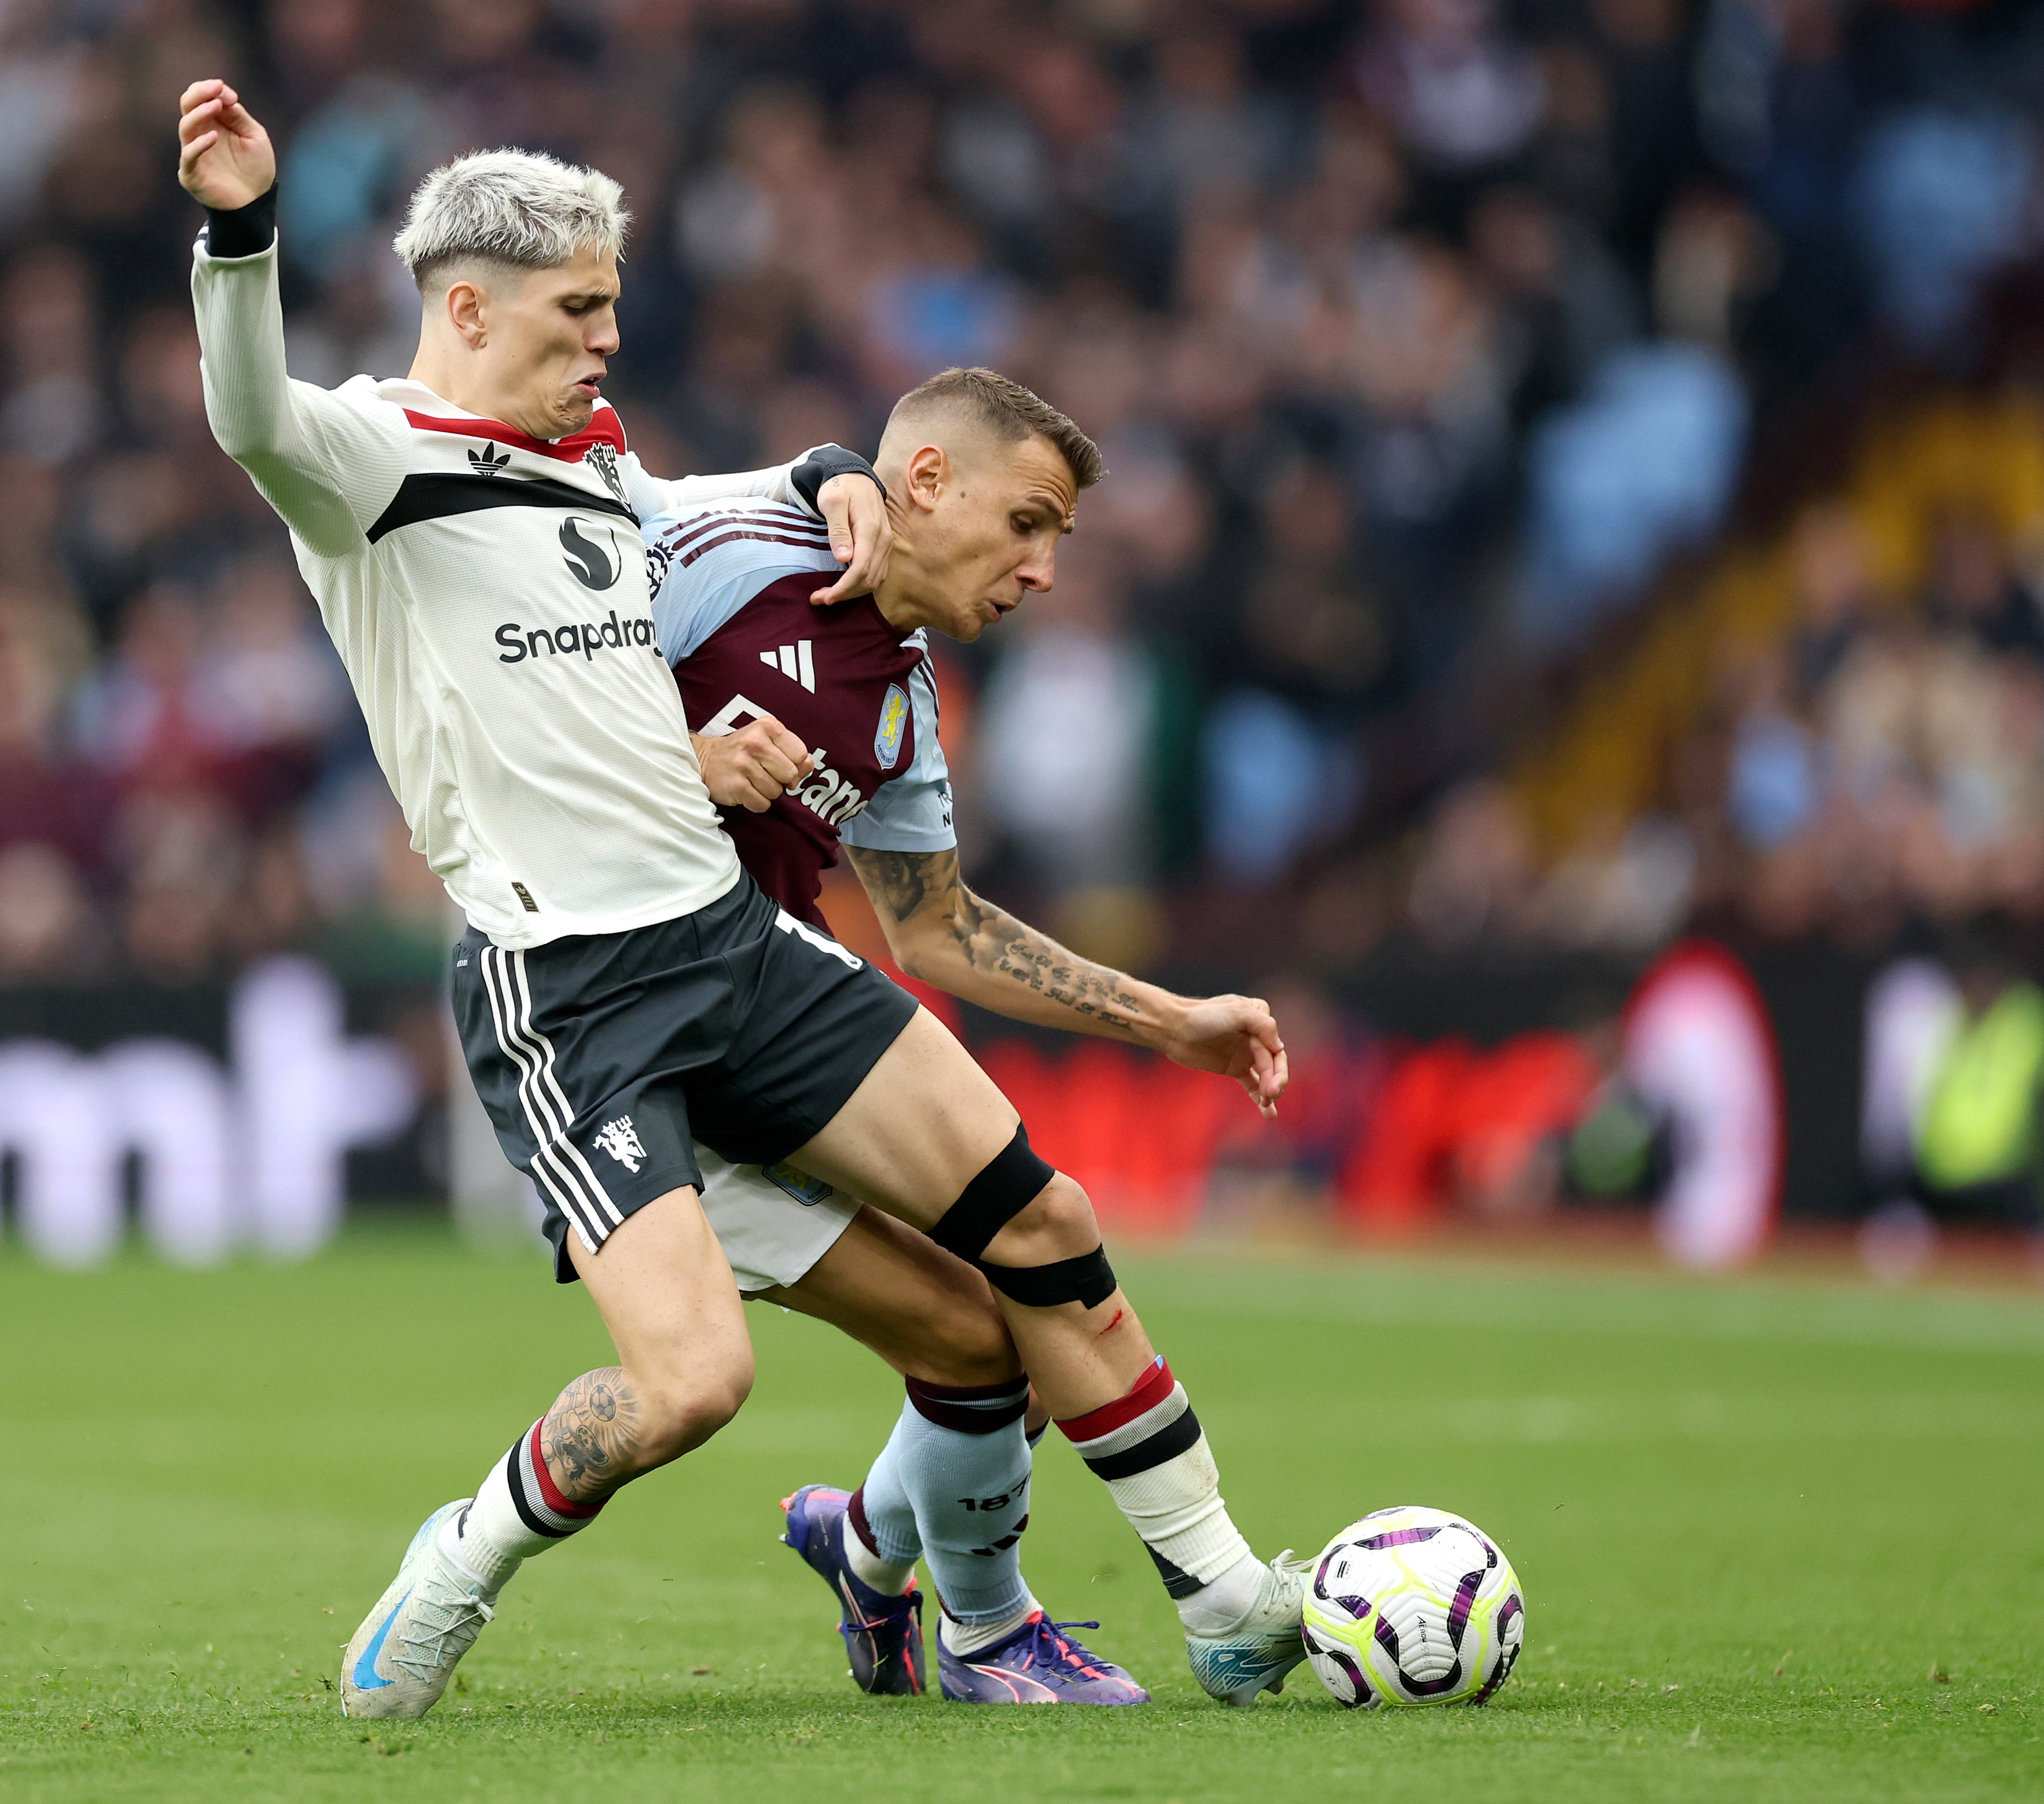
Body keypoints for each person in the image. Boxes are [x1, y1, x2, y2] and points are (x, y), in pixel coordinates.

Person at [176, 81, 1302, 1725]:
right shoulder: (371, 462)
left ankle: (1219, 1600)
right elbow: (247, 418)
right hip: (570, 987)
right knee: (695, 1380)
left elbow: (756, 499)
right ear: (470, 307)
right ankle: (464, 1546)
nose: (606, 343)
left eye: (614, 310)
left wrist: (835, 465)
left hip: (733, 941)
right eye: (579, 312)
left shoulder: (599, 466)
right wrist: (236, 229)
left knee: (1035, 1238)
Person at [656, 369, 1304, 1706]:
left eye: (1058, 537)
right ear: (930, 481)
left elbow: (936, 928)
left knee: (998, 1342)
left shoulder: (900, 695)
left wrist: (1168, 1019)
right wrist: (683, 751)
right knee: (1033, 1255)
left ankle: (877, 1546)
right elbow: (539, 683)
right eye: (1029, 522)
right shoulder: (725, 550)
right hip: (640, 1058)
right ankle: (1099, 1616)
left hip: (765, 1032)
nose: (1046, 570)